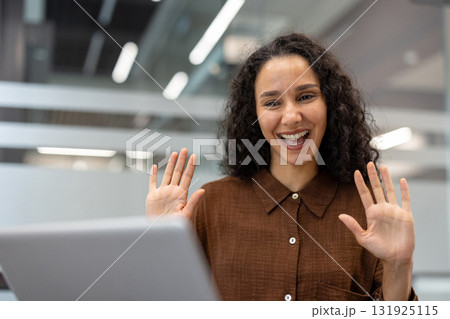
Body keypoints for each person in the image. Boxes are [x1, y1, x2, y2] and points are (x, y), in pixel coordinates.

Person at [145, 33, 417, 301]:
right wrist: (161, 248)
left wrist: (398, 265)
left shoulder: (368, 211)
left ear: (330, 105)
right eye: (272, 103)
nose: (291, 116)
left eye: (306, 96)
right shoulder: (210, 205)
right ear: (254, 115)